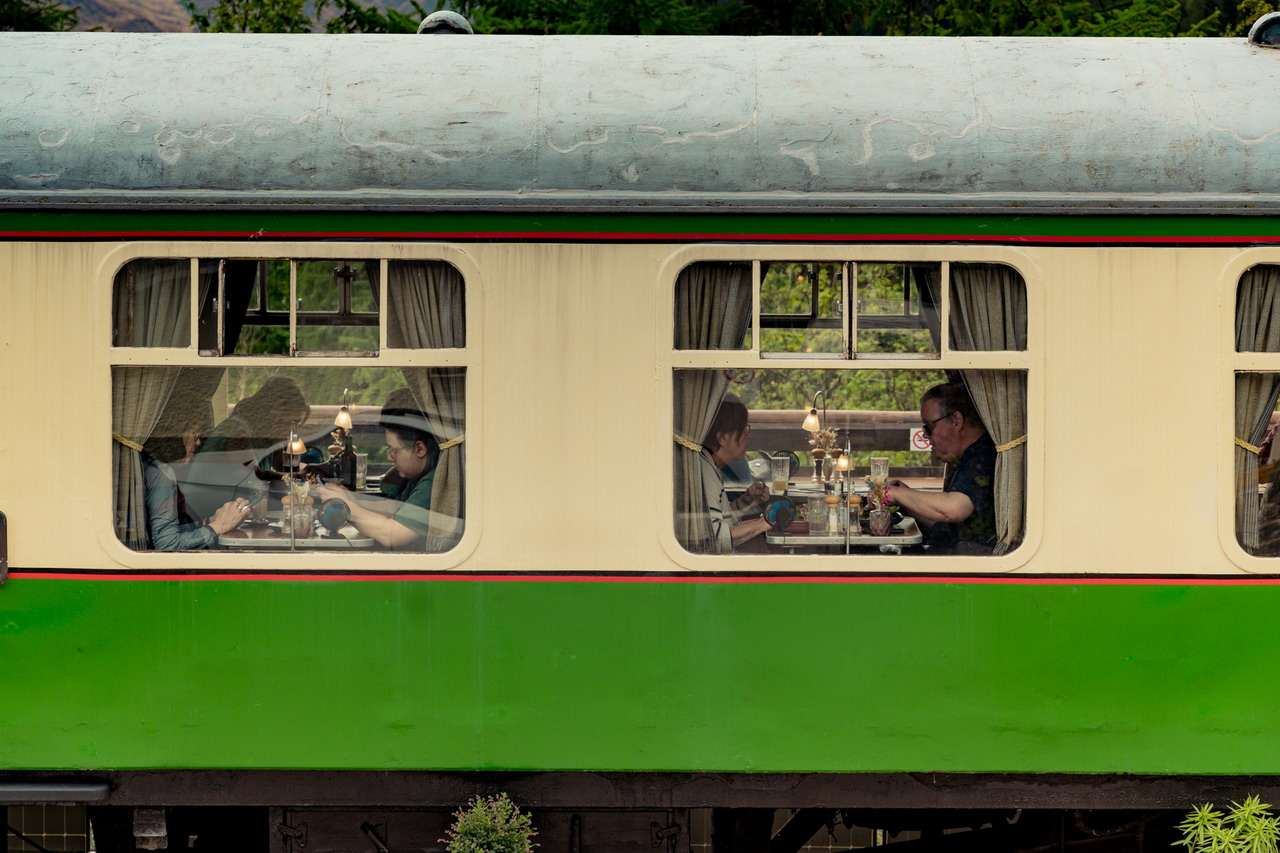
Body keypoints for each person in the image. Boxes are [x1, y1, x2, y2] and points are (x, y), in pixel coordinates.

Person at [889, 382, 997, 555]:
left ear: (956, 421)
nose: (925, 435)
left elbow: (954, 509)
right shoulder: (966, 458)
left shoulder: (984, 457)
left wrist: (895, 494)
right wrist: (907, 499)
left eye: (929, 426)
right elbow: (943, 525)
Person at [181, 376, 311, 520]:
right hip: (198, 517)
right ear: (272, 412)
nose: (292, 430)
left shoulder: (268, 434)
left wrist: (308, 470)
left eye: (296, 424)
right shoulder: (238, 432)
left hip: (228, 511)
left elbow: (285, 468)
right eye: (290, 422)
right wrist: (300, 478)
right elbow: (255, 477)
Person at [314, 406, 439, 550]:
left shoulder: (433, 482)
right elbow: (394, 508)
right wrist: (351, 499)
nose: (388, 457)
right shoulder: (421, 472)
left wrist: (344, 507)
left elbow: (392, 535)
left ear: (420, 449)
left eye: (393, 450)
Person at [142, 390, 249, 550]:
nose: (198, 442)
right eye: (195, 434)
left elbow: (166, 530)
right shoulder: (161, 472)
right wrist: (218, 526)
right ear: (178, 433)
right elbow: (167, 544)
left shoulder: (154, 465)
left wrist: (211, 521)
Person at [700, 396, 771, 553]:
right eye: (744, 430)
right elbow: (718, 538)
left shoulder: (710, 465)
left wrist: (746, 501)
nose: (749, 436)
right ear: (723, 438)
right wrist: (765, 522)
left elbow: (720, 519)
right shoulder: (704, 473)